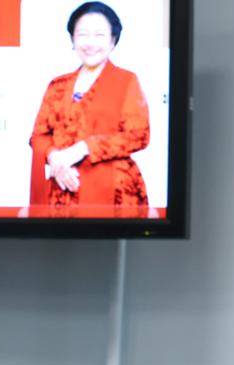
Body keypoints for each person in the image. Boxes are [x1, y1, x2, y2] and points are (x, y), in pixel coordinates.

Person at [28, 2, 150, 217]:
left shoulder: (126, 81)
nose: (90, 42)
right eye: (83, 34)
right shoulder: (58, 85)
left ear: (113, 40)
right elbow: (39, 136)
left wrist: (83, 148)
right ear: (73, 40)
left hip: (114, 196)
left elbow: (138, 135)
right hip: (62, 193)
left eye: (99, 35)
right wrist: (55, 157)